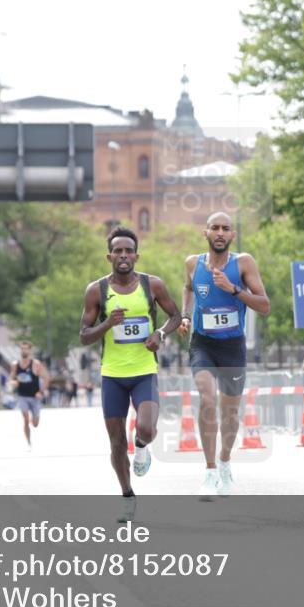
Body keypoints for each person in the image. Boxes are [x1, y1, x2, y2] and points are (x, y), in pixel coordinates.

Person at [79, 226, 181, 522]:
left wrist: (160, 334)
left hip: (144, 371)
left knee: (146, 429)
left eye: (128, 251)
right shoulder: (96, 290)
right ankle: (127, 495)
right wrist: (108, 324)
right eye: (117, 251)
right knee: (116, 442)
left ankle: (142, 447)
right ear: (109, 256)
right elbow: (84, 335)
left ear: (136, 256)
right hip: (112, 375)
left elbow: (175, 316)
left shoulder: (152, 285)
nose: (123, 255)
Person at [177, 211, 270, 499]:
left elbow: (264, 306)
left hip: (232, 346)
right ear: (205, 233)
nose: (220, 232)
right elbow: (188, 288)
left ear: (232, 235)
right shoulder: (192, 263)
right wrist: (185, 316)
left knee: (229, 412)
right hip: (202, 343)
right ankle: (209, 472)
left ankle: (225, 461)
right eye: (214, 228)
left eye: (225, 228)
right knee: (207, 399)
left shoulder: (244, 263)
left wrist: (234, 290)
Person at [11, 341, 50, 451]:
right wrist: (13, 382)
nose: (24, 351)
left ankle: (33, 419)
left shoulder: (35, 364)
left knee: (35, 424)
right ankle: (28, 442)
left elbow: (46, 377)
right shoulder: (15, 365)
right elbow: (11, 378)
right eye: (22, 349)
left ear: (30, 350)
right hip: (22, 396)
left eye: (26, 349)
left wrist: (41, 392)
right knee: (25, 419)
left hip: (34, 397)